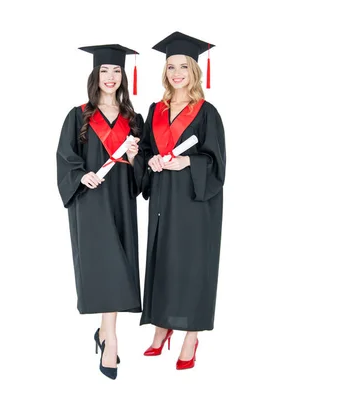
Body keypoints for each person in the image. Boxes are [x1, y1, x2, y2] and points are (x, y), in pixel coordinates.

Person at [134, 32, 226, 370]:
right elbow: (145, 151)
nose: (176, 73)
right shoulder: (155, 110)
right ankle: (161, 326)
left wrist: (187, 161)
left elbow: (217, 162)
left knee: (192, 266)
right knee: (165, 262)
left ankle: (191, 334)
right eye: (171, 66)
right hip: (163, 199)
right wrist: (150, 161)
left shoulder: (206, 112)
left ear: (195, 71)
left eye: (183, 67)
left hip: (194, 200)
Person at [56, 44, 144, 380]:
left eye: (117, 71)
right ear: (95, 75)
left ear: (124, 77)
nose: (111, 77)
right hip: (91, 201)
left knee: (120, 266)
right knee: (106, 266)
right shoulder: (78, 115)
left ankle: (106, 332)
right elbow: (66, 158)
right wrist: (81, 175)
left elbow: (141, 176)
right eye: (105, 71)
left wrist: (135, 155)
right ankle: (110, 339)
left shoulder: (133, 120)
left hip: (121, 198)